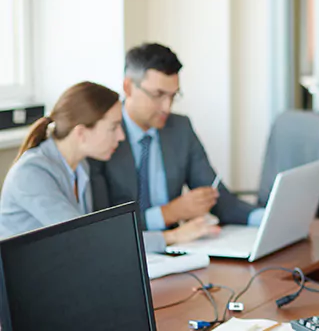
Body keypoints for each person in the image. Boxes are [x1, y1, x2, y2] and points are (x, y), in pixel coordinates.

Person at [0, 82, 217, 251]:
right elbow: (89, 238)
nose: (121, 136)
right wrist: (172, 237)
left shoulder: (81, 167)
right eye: (113, 127)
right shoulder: (32, 174)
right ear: (81, 133)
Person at [90, 43, 263, 236]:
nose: (167, 107)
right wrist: (168, 213)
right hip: (125, 250)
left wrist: (265, 218)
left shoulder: (180, 129)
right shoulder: (102, 135)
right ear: (128, 87)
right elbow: (101, 221)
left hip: (180, 251)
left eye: (173, 96)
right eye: (158, 95)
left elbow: (217, 197)